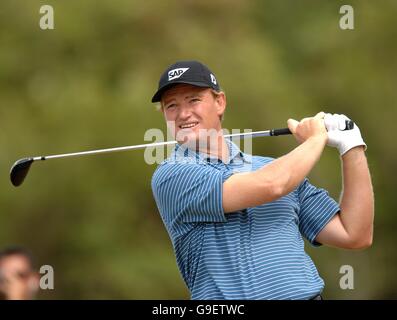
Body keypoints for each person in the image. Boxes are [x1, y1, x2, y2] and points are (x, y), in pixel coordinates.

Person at [150, 60, 374, 300]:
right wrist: (316, 139)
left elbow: (354, 234)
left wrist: (352, 147)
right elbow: (272, 185)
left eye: (194, 100)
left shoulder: (271, 167)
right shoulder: (171, 175)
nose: (183, 114)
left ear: (220, 102)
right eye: (171, 105)